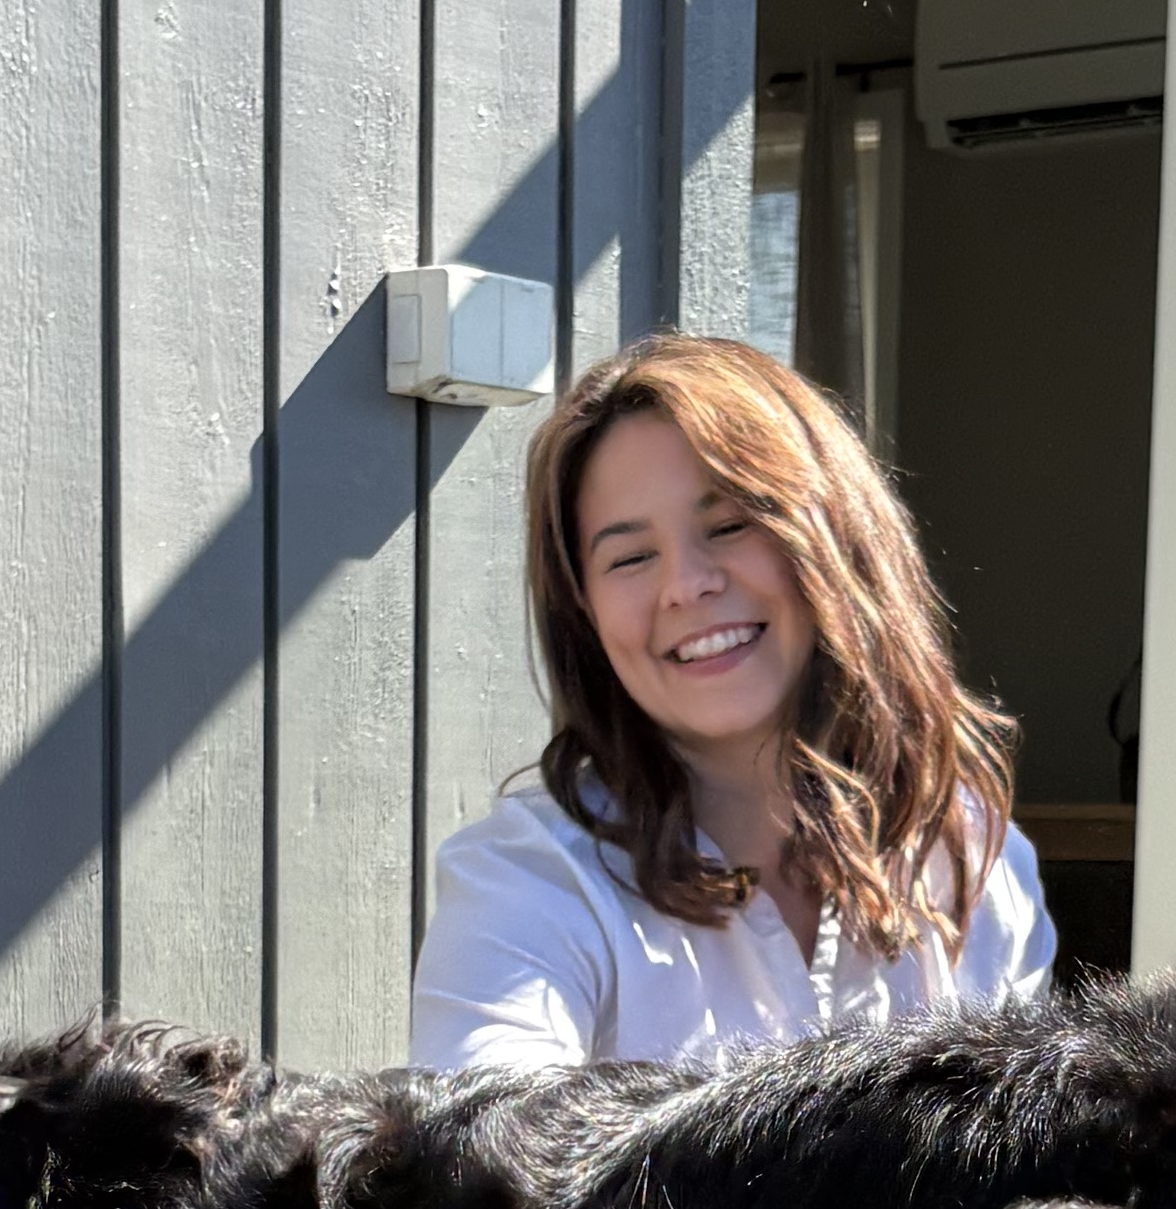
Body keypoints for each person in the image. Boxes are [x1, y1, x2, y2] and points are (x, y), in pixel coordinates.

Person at [410, 334, 1054, 1071]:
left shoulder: (974, 859)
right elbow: (481, 1161)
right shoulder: (528, 886)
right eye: (629, 557)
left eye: (728, 526)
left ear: (837, 541)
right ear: (582, 614)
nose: (685, 584)